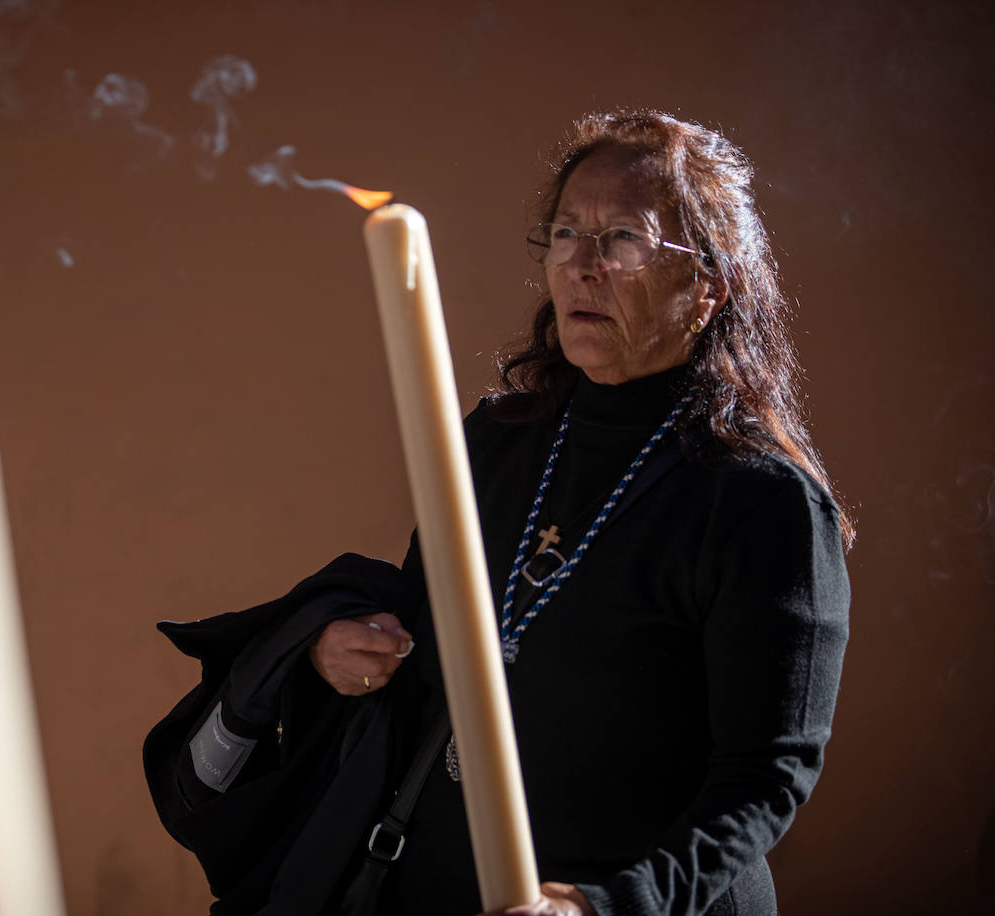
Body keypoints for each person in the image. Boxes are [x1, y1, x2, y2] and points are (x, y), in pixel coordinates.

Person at [145, 109, 852, 916]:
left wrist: (600, 907)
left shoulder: (761, 502)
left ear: (709, 286)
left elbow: (764, 781)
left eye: (624, 239)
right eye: (565, 234)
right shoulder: (498, 441)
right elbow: (425, 646)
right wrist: (340, 651)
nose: (582, 266)